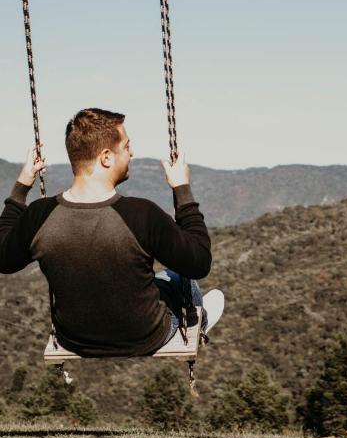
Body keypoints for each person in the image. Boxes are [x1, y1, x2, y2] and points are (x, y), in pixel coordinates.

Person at [0, 107, 224, 357]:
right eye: (127, 146)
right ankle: (200, 320)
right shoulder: (142, 215)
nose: (132, 153)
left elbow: (3, 258)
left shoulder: (38, 215)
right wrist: (182, 190)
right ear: (106, 157)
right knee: (180, 277)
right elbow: (200, 262)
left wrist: (21, 188)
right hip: (146, 336)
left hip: (75, 338)